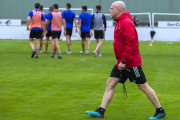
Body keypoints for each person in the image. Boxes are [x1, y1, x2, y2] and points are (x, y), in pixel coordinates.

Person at [86, 1, 166, 119]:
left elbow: (131, 43)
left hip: (130, 62)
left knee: (143, 86)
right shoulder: (119, 22)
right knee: (110, 83)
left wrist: (124, 61)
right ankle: (101, 112)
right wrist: (121, 61)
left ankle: (160, 111)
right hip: (121, 62)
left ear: (118, 10)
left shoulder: (125, 23)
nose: (109, 10)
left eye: (111, 8)